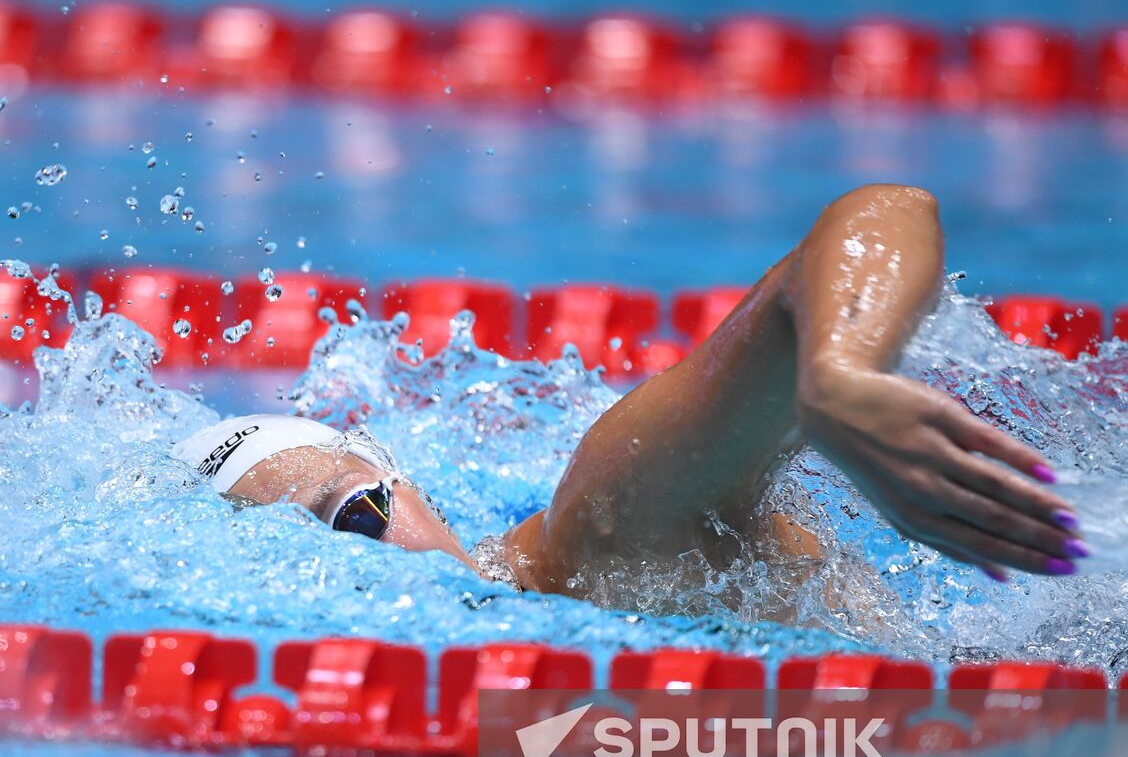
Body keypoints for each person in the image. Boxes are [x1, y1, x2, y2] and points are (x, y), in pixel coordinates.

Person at [174, 185, 1089, 600]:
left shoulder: (601, 535)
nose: (359, 577)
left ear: (407, 484)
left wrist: (838, 377)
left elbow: (887, 211)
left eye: (355, 516)